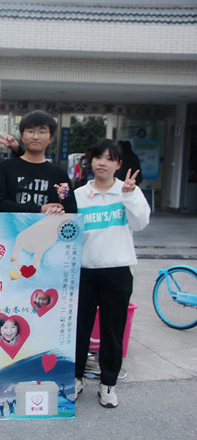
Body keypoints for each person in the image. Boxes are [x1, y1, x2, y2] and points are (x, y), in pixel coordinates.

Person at [74, 139, 150, 409]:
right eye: (98, 157)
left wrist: (129, 195)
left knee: (112, 331)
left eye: (109, 158)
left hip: (118, 271)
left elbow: (141, 223)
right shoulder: (79, 194)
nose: (102, 163)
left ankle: (108, 384)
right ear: (91, 161)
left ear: (118, 164)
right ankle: (76, 378)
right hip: (84, 271)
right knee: (79, 329)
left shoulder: (128, 191)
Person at [0, 110, 77, 214]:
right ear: (22, 136)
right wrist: (39, 210)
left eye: (42, 132)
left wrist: (59, 210)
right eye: (30, 131)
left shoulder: (60, 176)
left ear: (51, 138)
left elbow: (69, 207)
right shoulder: (4, 169)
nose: (35, 137)